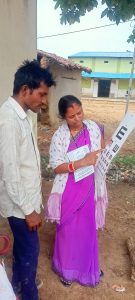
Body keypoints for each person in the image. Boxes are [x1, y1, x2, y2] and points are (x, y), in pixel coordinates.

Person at [0, 59, 55, 300]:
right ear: (25, 90)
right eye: (42, 94)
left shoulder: (21, 115)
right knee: (30, 253)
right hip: (21, 208)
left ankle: (17, 287)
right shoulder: (9, 120)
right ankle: (29, 293)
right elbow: (10, 173)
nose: (44, 101)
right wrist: (29, 211)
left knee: (24, 250)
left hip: (26, 204)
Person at [46, 95, 108, 287]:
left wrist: (104, 152)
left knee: (87, 231)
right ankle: (66, 270)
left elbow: (101, 150)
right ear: (64, 117)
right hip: (69, 188)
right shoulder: (60, 136)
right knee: (67, 231)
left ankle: (88, 267)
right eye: (72, 116)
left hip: (89, 186)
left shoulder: (93, 128)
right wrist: (81, 162)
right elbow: (56, 167)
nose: (78, 118)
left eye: (80, 112)